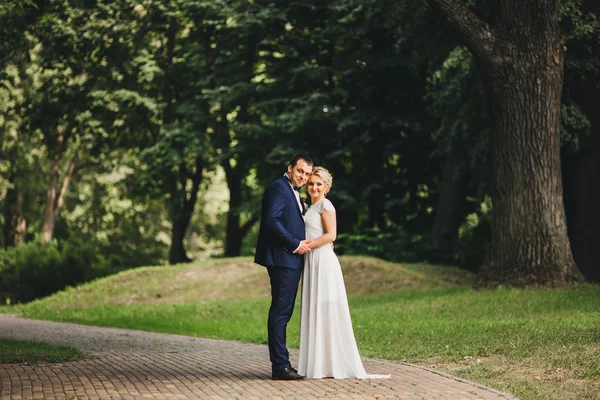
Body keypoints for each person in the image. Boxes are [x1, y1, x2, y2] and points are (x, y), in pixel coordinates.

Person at [298, 167, 390, 379]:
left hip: (321, 259)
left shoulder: (326, 205)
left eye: (318, 184)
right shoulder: (309, 206)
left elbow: (331, 235)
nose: (313, 187)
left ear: (326, 187)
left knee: (326, 307)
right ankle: (319, 363)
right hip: (311, 259)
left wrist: (306, 245)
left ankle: (331, 363)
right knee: (315, 307)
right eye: (311, 183)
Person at [254, 153, 314, 380]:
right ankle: (280, 366)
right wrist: (294, 244)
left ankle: (282, 363)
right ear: (290, 168)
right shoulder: (278, 188)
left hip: (290, 259)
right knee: (280, 311)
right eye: (300, 171)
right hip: (283, 258)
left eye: (307, 174)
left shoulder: (293, 192)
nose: (303, 177)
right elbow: (271, 221)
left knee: (284, 311)